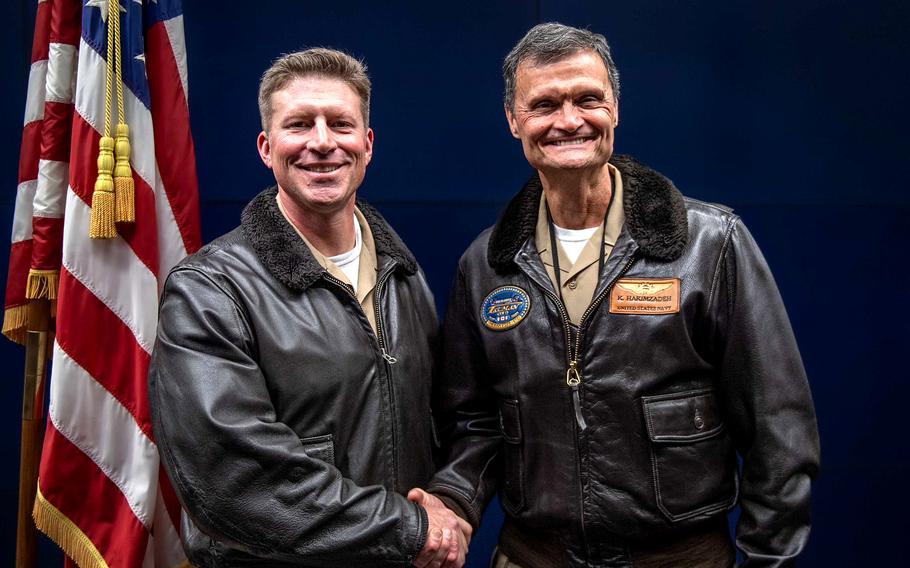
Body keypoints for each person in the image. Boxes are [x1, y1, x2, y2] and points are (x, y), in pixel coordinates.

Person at [427, 23, 820, 567]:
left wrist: (768, 560)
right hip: (531, 556)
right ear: (513, 120)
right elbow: (473, 420)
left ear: (614, 108)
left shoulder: (709, 245)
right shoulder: (487, 264)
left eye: (588, 99)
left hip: (680, 557)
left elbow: (779, 427)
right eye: (544, 105)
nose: (569, 121)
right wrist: (454, 502)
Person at [149, 48, 470, 567]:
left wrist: (451, 504)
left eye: (341, 125)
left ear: (367, 145)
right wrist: (410, 528)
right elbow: (233, 482)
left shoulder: (402, 277)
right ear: (266, 147)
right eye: (299, 124)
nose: (322, 143)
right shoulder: (209, 290)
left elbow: (452, 422)